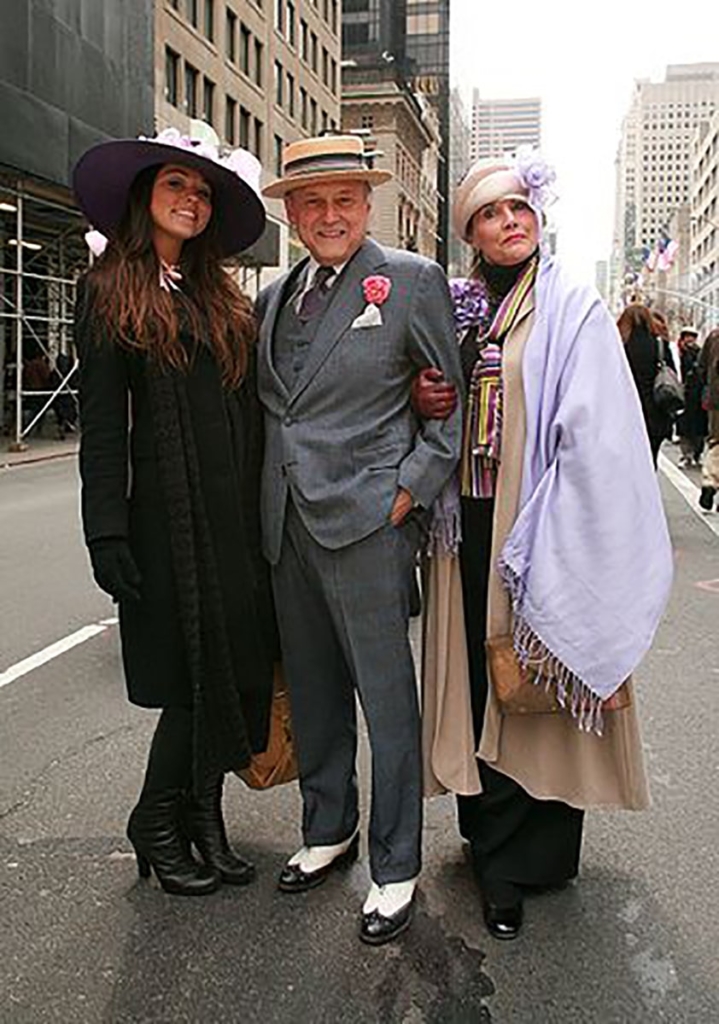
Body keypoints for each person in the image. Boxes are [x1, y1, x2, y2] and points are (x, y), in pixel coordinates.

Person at [415, 150, 673, 940]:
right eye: (491, 214)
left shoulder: (572, 306)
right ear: (471, 233)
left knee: (533, 688)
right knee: (481, 684)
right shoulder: (454, 312)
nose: (509, 223)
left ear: (536, 219)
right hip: (464, 526)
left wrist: (554, 521)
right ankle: (492, 850)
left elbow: (597, 426)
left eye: (518, 209)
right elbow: (429, 403)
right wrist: (426, 396)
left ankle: (535, 856)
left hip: (536, 526)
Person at [256, 135, 462, 944]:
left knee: (387, 704)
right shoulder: (274, 298)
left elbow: (448, 406)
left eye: (344, 198)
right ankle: (328, 828)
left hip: (369, 522)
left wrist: (406, 492)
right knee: (312, 697)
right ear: (291, 213)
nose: (329, 214)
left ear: (367, 205)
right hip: (287, 526)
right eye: (312, 202)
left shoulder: (411, 282)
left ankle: (396, 863)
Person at [73, 128, 277, 896]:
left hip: (231, 515)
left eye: (201, 192)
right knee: (190, 679)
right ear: (144, 201)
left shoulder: (216, 296)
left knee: (231, 669)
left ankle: (203, 818)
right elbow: (102, 427)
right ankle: (156, 820)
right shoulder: (109, 291)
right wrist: (107, 530)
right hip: (164, 520)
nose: (189, 201)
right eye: (174, 188)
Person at [617, 303, 677, 467]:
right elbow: (672, 373)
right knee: (650, 461)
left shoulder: (618, 346)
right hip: (655, 412)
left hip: (624, 412)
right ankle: (648, 491)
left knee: (625, 463)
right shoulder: (659, 344)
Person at [674, 326, 706, 467]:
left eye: (692, 337)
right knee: (684, 427)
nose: (690, 339)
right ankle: (686, 455)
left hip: (697, 395)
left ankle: (697, 454)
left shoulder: (700, 353)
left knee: (699, 427)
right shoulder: (676, 353)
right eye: (687, 336)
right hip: (682, 394)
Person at [698, 327, 719, 511]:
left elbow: (701, 366)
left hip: (716, 399)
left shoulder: (713, 335)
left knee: (716, 441)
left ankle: (710, 481)